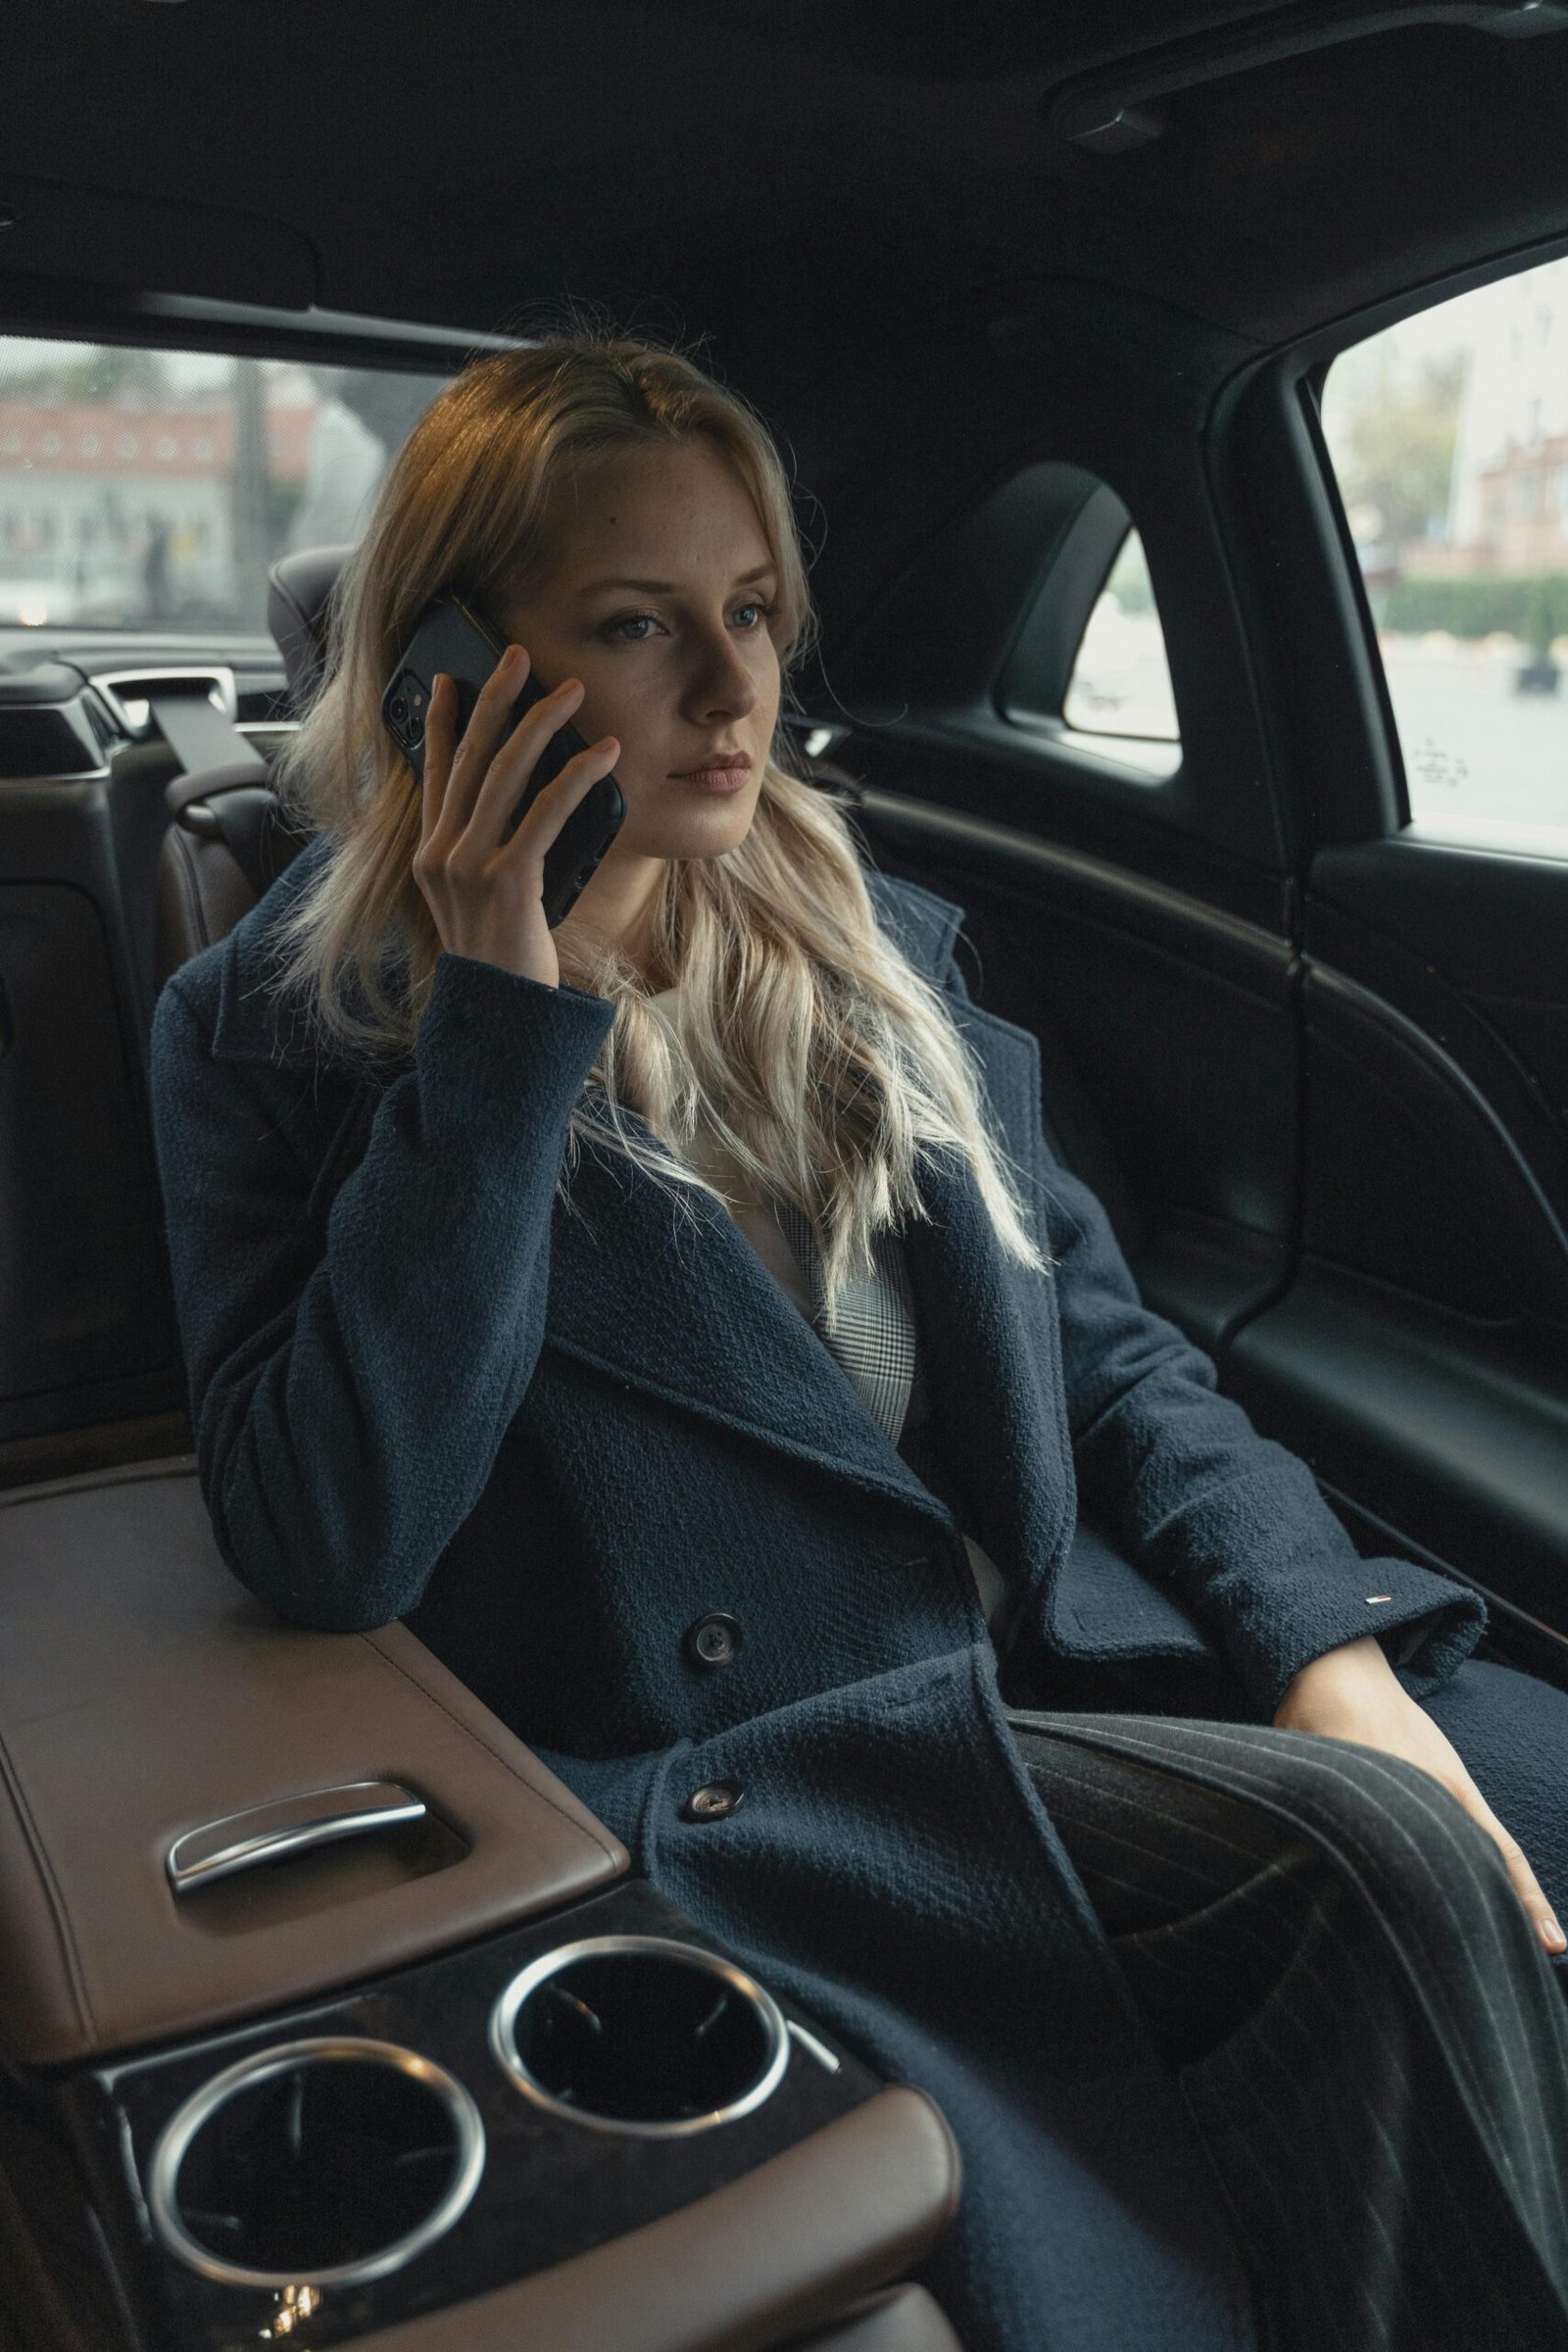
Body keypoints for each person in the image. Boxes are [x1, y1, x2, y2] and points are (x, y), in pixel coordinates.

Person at [148, 323, 1568, 2352]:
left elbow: (1107, 1356)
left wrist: (1316, 1653)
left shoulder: (862, 941)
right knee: (1378, 1869)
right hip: (769, 1768)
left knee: (1493, 1790)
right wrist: (504, 1019)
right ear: (449, 672)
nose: (735, 694)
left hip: (1048, 1650)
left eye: (749, 611)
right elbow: (328, 1532)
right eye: (638, 626)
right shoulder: (273, 1032)